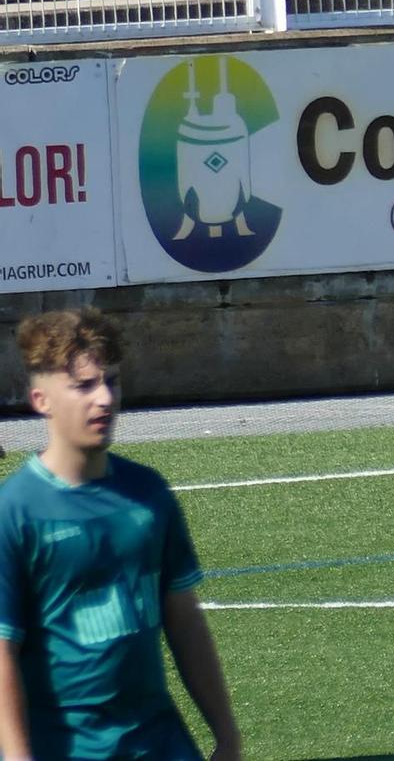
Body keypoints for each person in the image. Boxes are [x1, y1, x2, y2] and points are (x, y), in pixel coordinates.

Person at [0, 310, 241, 760]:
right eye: (84, 386)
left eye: (111, 381)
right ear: (40, 400)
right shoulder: (14, 511)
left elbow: (184, 618)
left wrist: (226, 734)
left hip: (161, 744)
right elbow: (1, 652)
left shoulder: (148, 494)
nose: (105, 399)